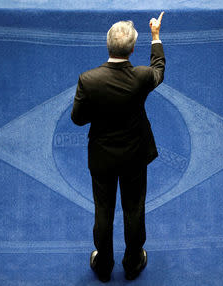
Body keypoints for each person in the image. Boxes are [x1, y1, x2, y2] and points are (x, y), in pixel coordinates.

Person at [71, 12, 165, 282]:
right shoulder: (142, 77)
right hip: (135, 156)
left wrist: (99, 110)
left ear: (107, 45)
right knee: (134, 209)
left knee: (104, 210)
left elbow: (78, 119)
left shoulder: (88, 80)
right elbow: (159, 68)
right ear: (133, 49)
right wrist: (156, 36)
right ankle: (134, 263)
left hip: (101, 158)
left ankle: (103, 266)